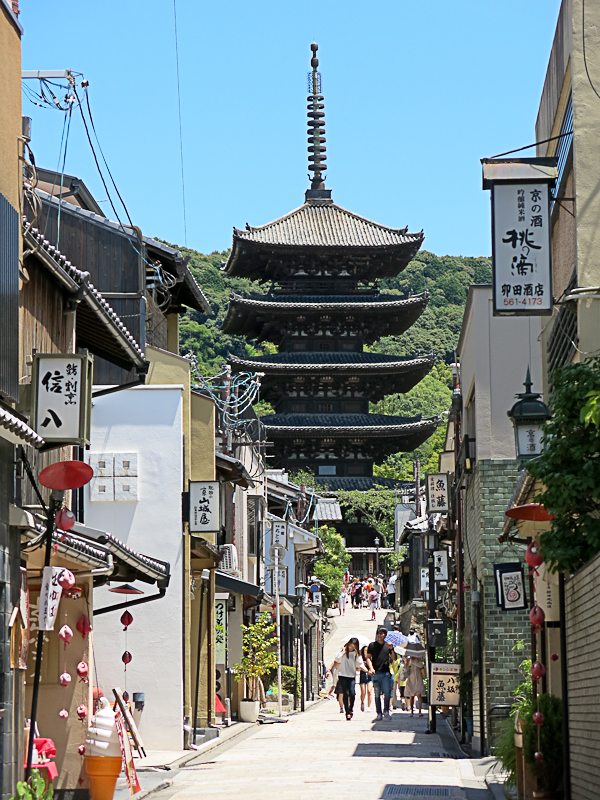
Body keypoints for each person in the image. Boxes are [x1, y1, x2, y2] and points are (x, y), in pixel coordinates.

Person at [327, 638, 366, 720]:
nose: (351, 648)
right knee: (346, 693)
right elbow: (336, 659)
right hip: (342, 675)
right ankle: (347, 712)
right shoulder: (342, 651)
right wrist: (342, 651)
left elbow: (360, 664)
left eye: (354, 646)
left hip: (351, 675)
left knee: (352, 693)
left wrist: (367, 670)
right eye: (351, 646)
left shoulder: (356, 653)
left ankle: (351, 709)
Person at [366, 626, 396, 721]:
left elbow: (394, 658)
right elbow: (368, 658)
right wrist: (371, 668)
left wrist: (392, 649)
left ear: (385, 635)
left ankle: (386, 710)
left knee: (387, 692)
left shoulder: (388, 646)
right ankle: (379, 713)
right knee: (377, 693)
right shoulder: (372, 645)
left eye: (382, 633)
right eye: (378, 633)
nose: (380, 635)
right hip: (376, 672)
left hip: (386, 672)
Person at [359, 643, 373, 712]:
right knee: (363, 692)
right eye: (365, 650)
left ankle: (368, 706)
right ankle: (362, 702)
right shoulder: (360, 658)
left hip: (370, 676)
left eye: (367, 650)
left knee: (369, 691)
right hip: (363, 675)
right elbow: (358, 668)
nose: (366, 652)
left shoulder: (371, 658)